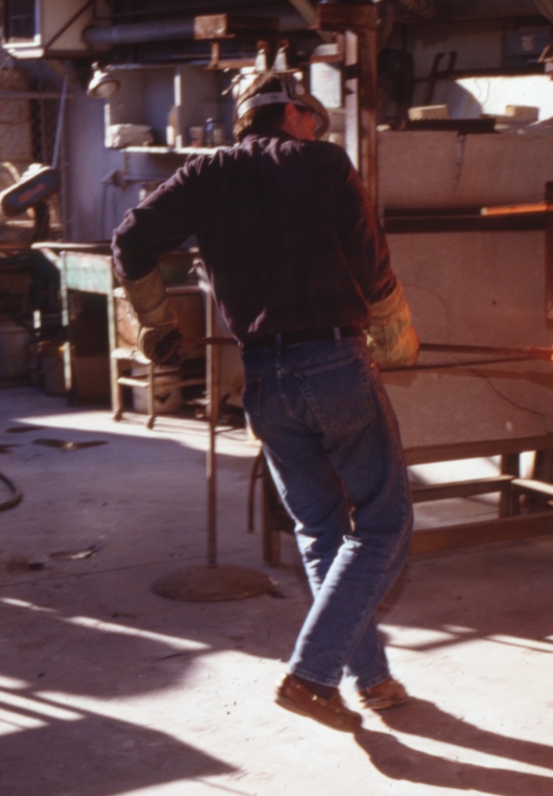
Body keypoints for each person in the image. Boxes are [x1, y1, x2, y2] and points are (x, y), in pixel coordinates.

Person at [111, 71, 420, 733]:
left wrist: (158, 325)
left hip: (262, 378)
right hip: (333, 362)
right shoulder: (323, 163)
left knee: (321, 532)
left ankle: (370, 678)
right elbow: (371, 261)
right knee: (385, 524)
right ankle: (312, 675)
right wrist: (396, 332)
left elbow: (131, 240)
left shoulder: (206, 174)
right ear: (300, 115)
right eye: (313, 119)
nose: (315, 129)